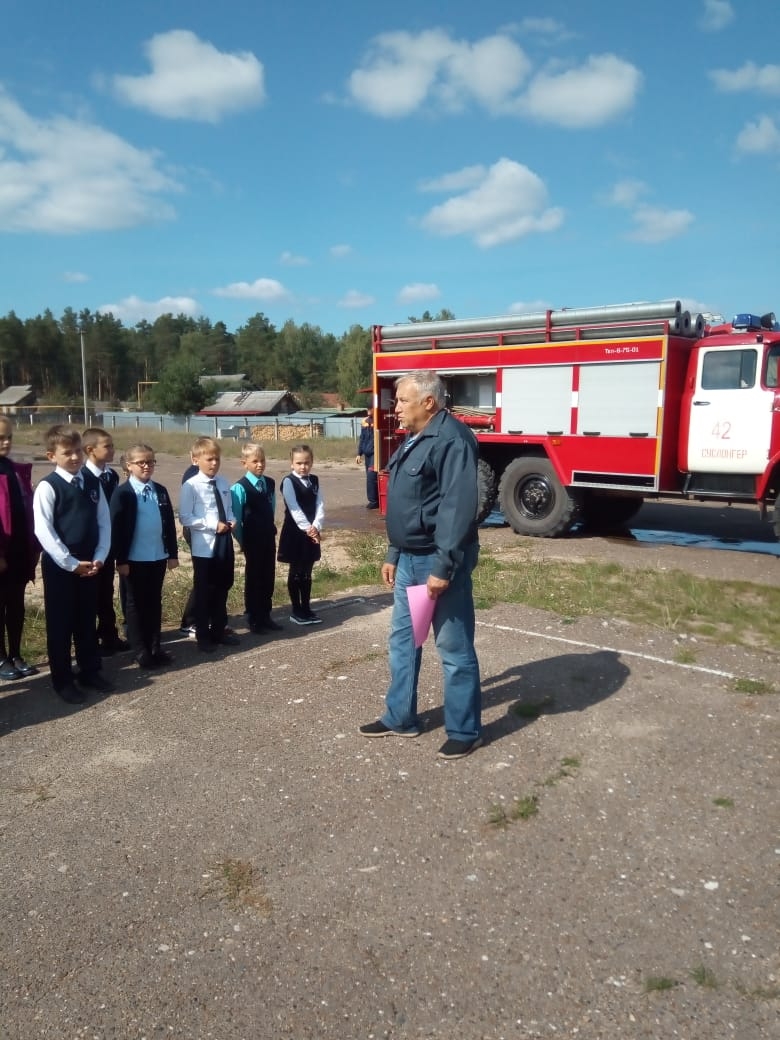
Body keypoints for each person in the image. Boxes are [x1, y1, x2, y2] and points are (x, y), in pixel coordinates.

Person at [359, 371, 483, 760]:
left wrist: (443, 567)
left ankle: (465, 729)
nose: (394, 409)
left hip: (436, 561)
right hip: (410, 560)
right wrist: (394, 552)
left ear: (428, 402)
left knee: (453, 648)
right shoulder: (414, 438)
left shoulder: (452, 440)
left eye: (401, 401)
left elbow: (456, 509)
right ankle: (400, 717)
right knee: (404, 643)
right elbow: (406, 501)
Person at [32, 425, 114, 704]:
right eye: (67, 453)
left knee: (85, 620)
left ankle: (89, 670)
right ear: (51, 455)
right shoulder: (48, 487)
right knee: (61, 624)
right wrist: (70, 563)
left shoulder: (92, 482)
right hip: (62, 567)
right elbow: (44, 531)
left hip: (91, 564)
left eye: (78, 451)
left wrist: (101, 555)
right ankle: (63, 679)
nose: (75, 457)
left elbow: (103, 520)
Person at [109, 443, 179, 669]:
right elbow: (116, 529)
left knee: (153, 601)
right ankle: (140, 650)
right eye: (141, 462)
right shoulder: (123, 493)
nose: (147, 466)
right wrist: (121, 559)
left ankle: (155, 646)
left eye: (150, 462)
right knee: (135, 605)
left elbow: (168, 523)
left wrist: (172, 553)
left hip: (157, 554)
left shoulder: (160, 490)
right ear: (129, 466)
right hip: (134, 558)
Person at [178, 437, 239, 653]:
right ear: (196, 460)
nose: (214, 463)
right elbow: (186, 517)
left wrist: (232, 521)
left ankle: (219, 630)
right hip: (205, 544)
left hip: (224, 541)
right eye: (209, 459)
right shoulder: (191, 486)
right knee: (205, 591)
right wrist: (213, 525)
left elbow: (229, 508)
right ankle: (203, 635)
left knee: (223, 587)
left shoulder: (222, 483)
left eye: (217, 459)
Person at [82, 427, 128, 654]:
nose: (112, 450)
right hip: (90, 546)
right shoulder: (83, 477)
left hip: (108, 542)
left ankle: (109, 634)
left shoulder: (111, 475)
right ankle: (90, 639)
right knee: (91, 593)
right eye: (107, 446)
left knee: (107, 590)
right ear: (90, 450)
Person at [0, 416, 40, 681]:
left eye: (9, 437)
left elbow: (28, 511)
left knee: (16, 605)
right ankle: (1, 657)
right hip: (0, 552)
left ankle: (15, 652)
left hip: (19, 551)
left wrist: (34, 547)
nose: (6, 442)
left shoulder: (15, 470)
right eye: (0, 438)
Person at [231, 442, 282, 633]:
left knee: (268, 576)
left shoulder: (269, 483)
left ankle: (266, 615)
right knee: (254, 578)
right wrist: (243, 541)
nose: (260, 465)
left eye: (262, 460)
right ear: (244, 463)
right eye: (255, 461)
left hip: (268, 536)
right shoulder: (239, 488)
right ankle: (253, 617)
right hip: (252, 540)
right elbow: (236, 518)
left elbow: (272, 506)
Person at [277, 444, 324, 625]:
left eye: (306, 463)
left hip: (312, 532)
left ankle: (306, 607)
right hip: (295, 532)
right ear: (291, 464)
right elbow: (294, 507)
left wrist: (317, 525)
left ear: (311, 462)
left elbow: (320, 504)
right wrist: (308, 528)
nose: (303, 467)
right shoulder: (289, 482)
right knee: (296, 571)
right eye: (298, 463)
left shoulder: (315, 480)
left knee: (307, 571)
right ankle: (296, 609)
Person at [355, 410, 379, 509]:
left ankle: (373, 501)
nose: (369, 411)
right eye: (368, 408)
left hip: (375, 454)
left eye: (371, 408)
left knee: (371, 476)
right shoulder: (364, 422)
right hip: (367, 454)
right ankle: (375, 499)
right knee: (370, 478)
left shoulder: (378, 420)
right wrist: (359, 453)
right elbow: (362, 438)